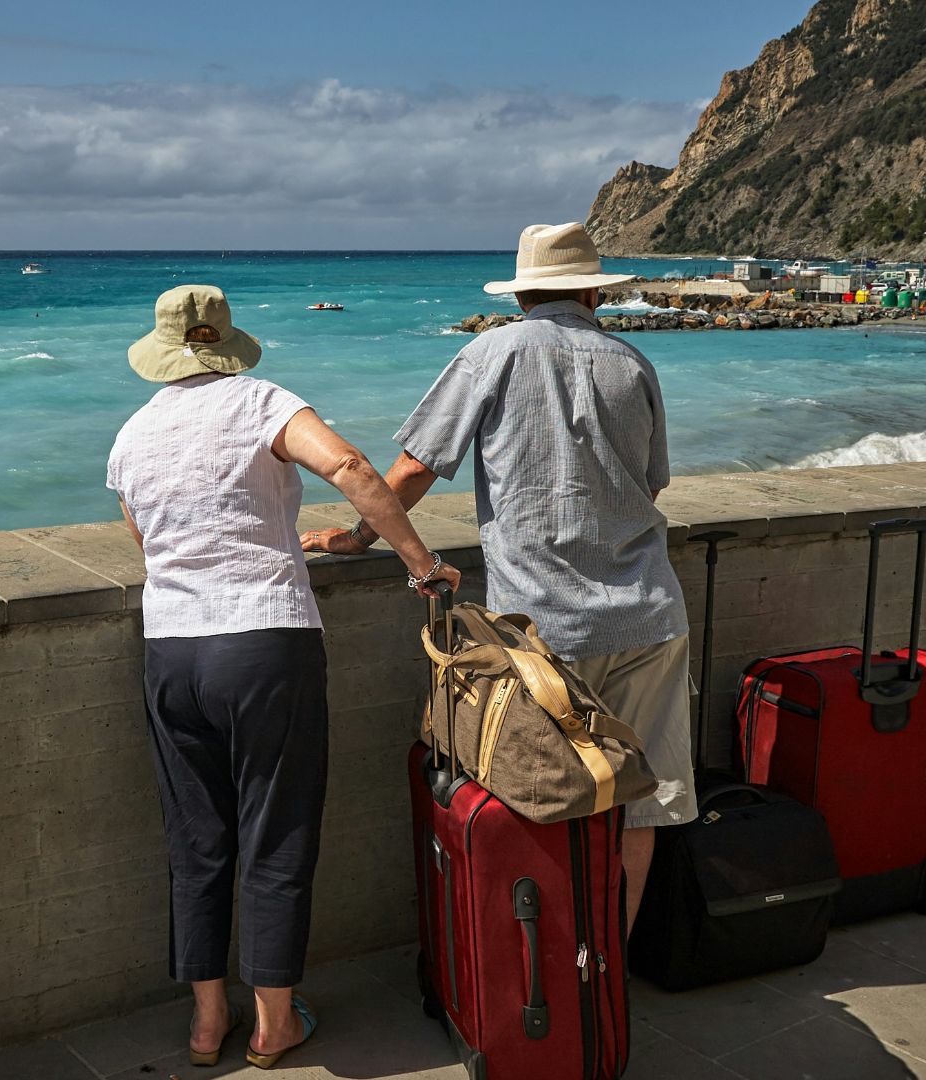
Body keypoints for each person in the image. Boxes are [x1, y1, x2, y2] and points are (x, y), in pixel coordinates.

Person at [107, 284, 459, 1070]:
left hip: (171, 649)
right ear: (226, 343)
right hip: (263, 640)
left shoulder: (131, 436)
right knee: (276, 828)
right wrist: (421, 564)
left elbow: (147, 539)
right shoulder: (261, 402)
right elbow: (351, 466)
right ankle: (272, 1023)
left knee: (195, 837)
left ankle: (205, 1022)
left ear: (161, 352)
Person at [302, 222, 695, 926]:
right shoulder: (632, 363)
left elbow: (418, 465)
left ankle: (556, 984)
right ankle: (610, 973)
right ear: (592, 292)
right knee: (642, 806)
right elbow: (651, 487)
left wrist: (362, 535)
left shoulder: (494, 351)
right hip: (649, 616)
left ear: (522, 296)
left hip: (545, 629)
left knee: (545, 800)